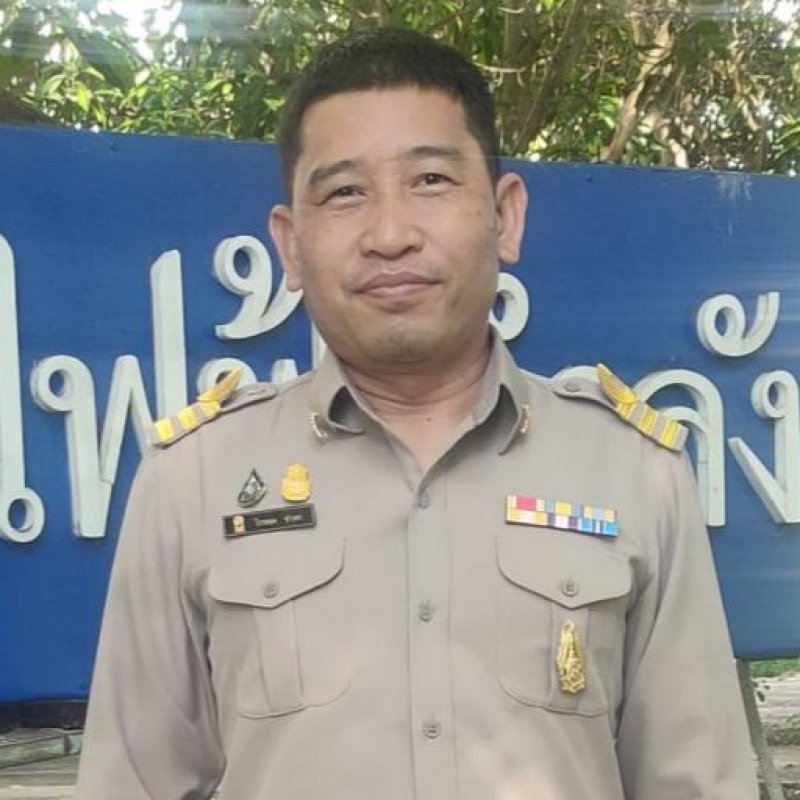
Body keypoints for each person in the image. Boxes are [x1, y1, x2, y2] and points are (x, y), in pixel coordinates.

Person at [77, 27, 757, 800]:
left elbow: (697, 782)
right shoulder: (191, 481)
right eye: (345, 193)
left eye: (430, 180)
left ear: (504, 216)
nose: (391, 235)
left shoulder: (635, 472)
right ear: (290, 246)